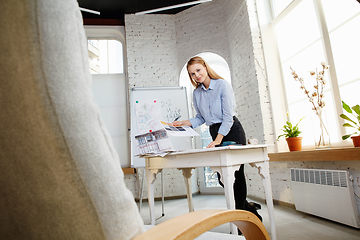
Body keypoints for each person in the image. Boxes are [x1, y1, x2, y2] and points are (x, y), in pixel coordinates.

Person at [172, 56, 262, 227]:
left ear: (205, 67)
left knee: (236, 175)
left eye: (198, 70)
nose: (196, 75)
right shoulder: (197, 93)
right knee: (223, 178)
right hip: (215, 131)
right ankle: (248, 209)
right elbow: (200, 119)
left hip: (232, 131)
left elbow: (228, 118)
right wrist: (183, 123)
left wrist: (217, 140)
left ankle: (242, 220)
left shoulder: (222, 85)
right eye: (192, 74)